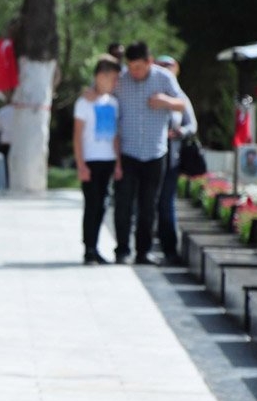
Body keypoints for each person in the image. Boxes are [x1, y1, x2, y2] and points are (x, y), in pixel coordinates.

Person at [113, 41, 187, 265]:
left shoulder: (164, 78)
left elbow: (182, 104)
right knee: (123, 204)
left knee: (148, 205)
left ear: (149, 61)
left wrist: (165, 101)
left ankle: (143, 251)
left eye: (139, 67)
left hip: (155, 152)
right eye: (131, 67)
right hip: (127, 151)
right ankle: (122, 250)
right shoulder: (121, 80)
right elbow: (101, 93)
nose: (135, 72)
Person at [74, 55, 122, 265]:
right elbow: (77, 136)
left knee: (103, 205)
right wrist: (81, 164)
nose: (115, 83)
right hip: (91, 160)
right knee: (91, 205)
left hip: (108, 160)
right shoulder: (84, 102)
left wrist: (118, 162)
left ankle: (96, 247)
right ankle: (89, 249)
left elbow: (116, 135)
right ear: (100, 76)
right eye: (112, 78)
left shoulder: (112, 102)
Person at [154, 55, 197, 266]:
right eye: (161, 67)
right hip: (149, 155)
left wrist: (179, 131)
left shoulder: (180, 97)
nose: (165, 71)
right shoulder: (151, 94)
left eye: (168, 67)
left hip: (171, 155)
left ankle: (170, 249)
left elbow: (192, 125)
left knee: (166, 203)